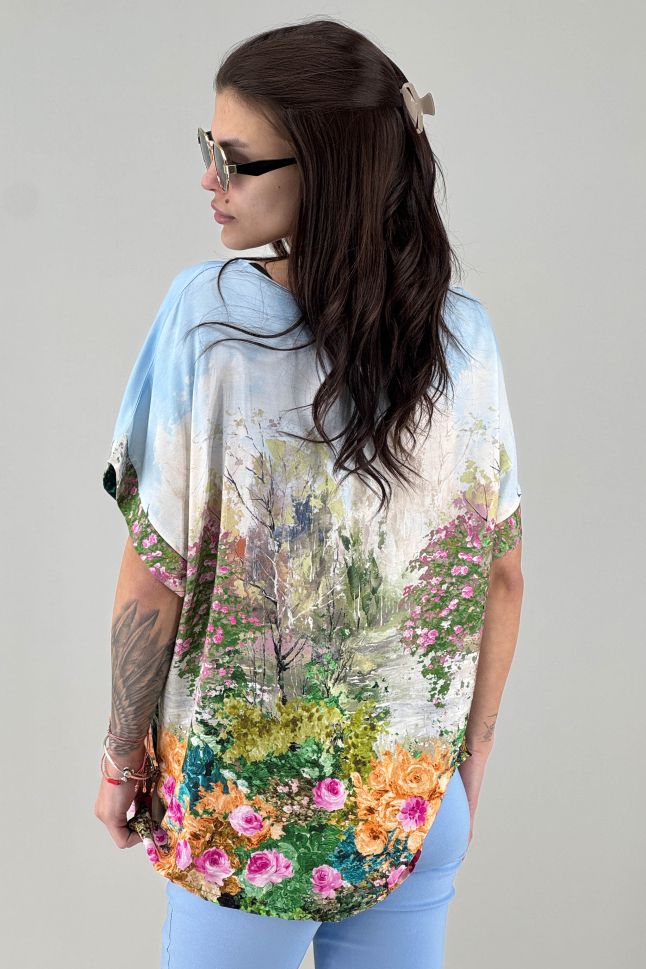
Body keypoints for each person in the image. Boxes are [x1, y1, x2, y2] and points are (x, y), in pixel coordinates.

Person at [94, 17, 524, 969]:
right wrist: (466, 766)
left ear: (327, 171)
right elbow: (502, 575)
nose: (209, 179)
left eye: (236, 161)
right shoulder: (465, 335)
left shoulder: (206, 317)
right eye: (208, 148)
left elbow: (155, 575)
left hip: (250, 825)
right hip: (414, 805)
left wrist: (123, 757)